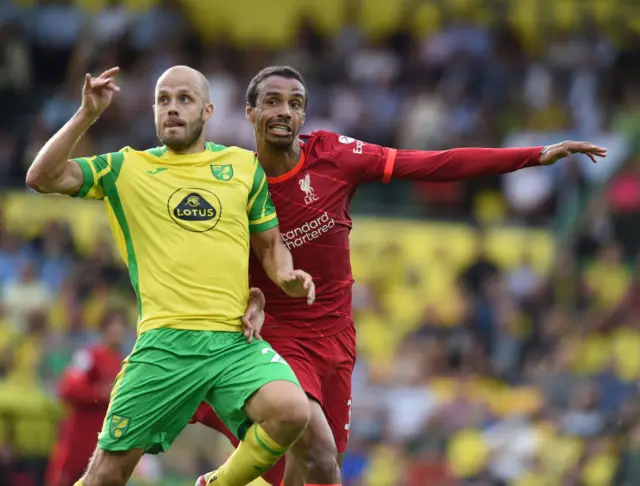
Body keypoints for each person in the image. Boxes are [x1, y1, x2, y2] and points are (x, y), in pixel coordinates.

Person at [193, 65, 607, 486]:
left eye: (295, 103)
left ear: (304, 115)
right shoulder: (233, 182)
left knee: (323, 467)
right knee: (310, 441)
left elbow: (434, 164)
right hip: (277, 338)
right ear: (249, 112)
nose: (284, 111)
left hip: (335, 340)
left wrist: (533, 155)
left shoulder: (334, 156)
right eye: (272, 101)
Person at [26, 65, 317, 486]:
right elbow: (41, 177)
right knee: (106, 475)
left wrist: (285, 277)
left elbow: (270, 246)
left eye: (185, 99)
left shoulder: (241, 166)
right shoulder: (126, 168)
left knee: (292, 411)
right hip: (165, 345)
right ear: (154, 111)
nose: (173, 109)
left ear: (208, 110)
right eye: (163, 100)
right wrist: (86, 114)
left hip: (234, 342)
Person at [46, 310, 128, 486]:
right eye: (114, 326)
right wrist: (101, 395)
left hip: (104, 444)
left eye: (122, 326)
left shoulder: (125, 363)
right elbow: (67, 388)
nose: (118, 331)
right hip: (78, 442)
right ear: (103, 330)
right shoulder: (90, 356)